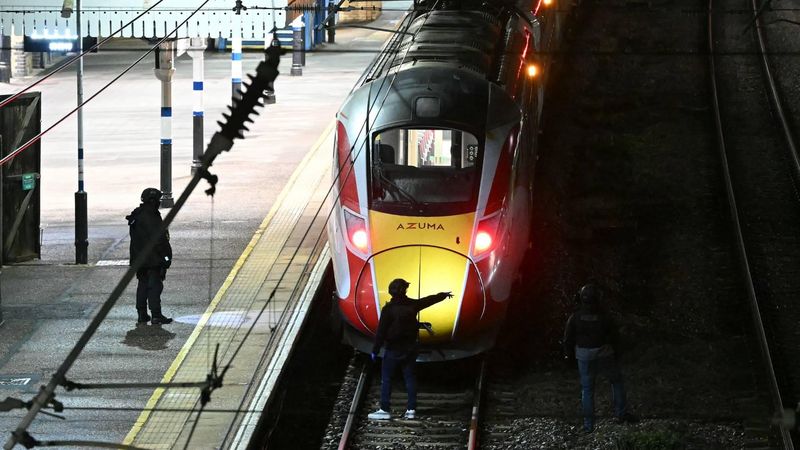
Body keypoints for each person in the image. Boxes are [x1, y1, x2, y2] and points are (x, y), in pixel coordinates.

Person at [367, 278, 453, 421]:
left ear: (391, 292)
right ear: (405, 290)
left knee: (387, 379)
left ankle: (384, 409)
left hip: (393, 349)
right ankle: (411, 409)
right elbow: (428, 300)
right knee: (410, 378)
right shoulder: (413, 305)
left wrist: (375, 351)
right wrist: (442, 295)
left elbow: (381, 332)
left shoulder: (388, 310)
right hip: (410, 348)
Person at [563, 283, 636, 432]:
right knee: (616, 381)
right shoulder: (605, 317)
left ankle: (589, 425)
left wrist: (568, 356)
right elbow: (615, 336)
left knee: (587, 389)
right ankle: (621, 414)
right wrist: (617, 352)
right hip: (604, 353)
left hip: (584, 356)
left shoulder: (575, 317)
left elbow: (568, 339)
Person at [126, 188, 173, 325]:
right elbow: (159, 240)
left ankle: (142, 314)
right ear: (153, 201)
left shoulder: (137, 214)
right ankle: (156, 315)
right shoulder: (151, 216)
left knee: (142, 285)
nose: (158, 203)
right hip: (153, 258)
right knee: (154, 286)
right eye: (158, 200)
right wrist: (166, 256)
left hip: (138, 258)